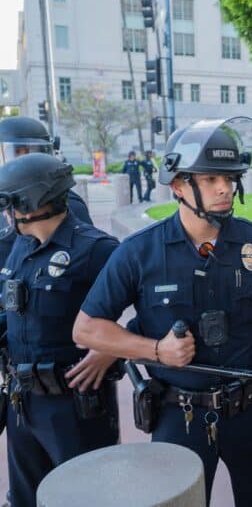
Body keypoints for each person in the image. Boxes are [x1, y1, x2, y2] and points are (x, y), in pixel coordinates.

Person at [72, 117, 252, 507]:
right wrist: (156, 350)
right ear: (178, 185)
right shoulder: (139, 252)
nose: (225, 187)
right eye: (209, 179)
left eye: (229, 177)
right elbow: (87, 329)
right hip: (179, 415)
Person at [0, 153, 120, 506]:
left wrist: (111, 350)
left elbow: (149, 311)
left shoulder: (97, 249)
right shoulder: (21, 247)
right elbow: (16, 314)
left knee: (84, 497)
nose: (6, 212)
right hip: (23, 402)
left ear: (30, 201)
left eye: (9, 201)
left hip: (75, 405)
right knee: (26, 498)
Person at [0, 116, 92, 226]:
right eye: (16, 152)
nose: (21, 161)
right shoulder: (5, 198)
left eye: (28, 152)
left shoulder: (65, 205)